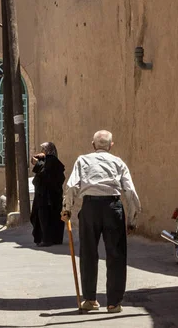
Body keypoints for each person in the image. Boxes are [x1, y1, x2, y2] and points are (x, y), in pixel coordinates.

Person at [61, 130, 141, 314]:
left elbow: (72, 185)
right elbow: (129, 190)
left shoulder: (83, 160)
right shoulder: (118, 162)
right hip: (113, 207)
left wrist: (67, 208)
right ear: (111, 146)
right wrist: (132, 219)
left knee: (88, 253)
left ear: (93, 144)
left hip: (90, 208)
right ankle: (113, 303)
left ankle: (90, 299)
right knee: (116, 255)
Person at [30, 142, 66, 247]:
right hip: (50, 196)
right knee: (50, 217)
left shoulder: (51, 161)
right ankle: (53, 239)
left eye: (43, 150)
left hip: (46, 196)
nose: (42, 152)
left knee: (44, 217)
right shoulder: (52, 161)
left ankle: (46, 239)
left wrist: (38, 163)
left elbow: (44, 175)